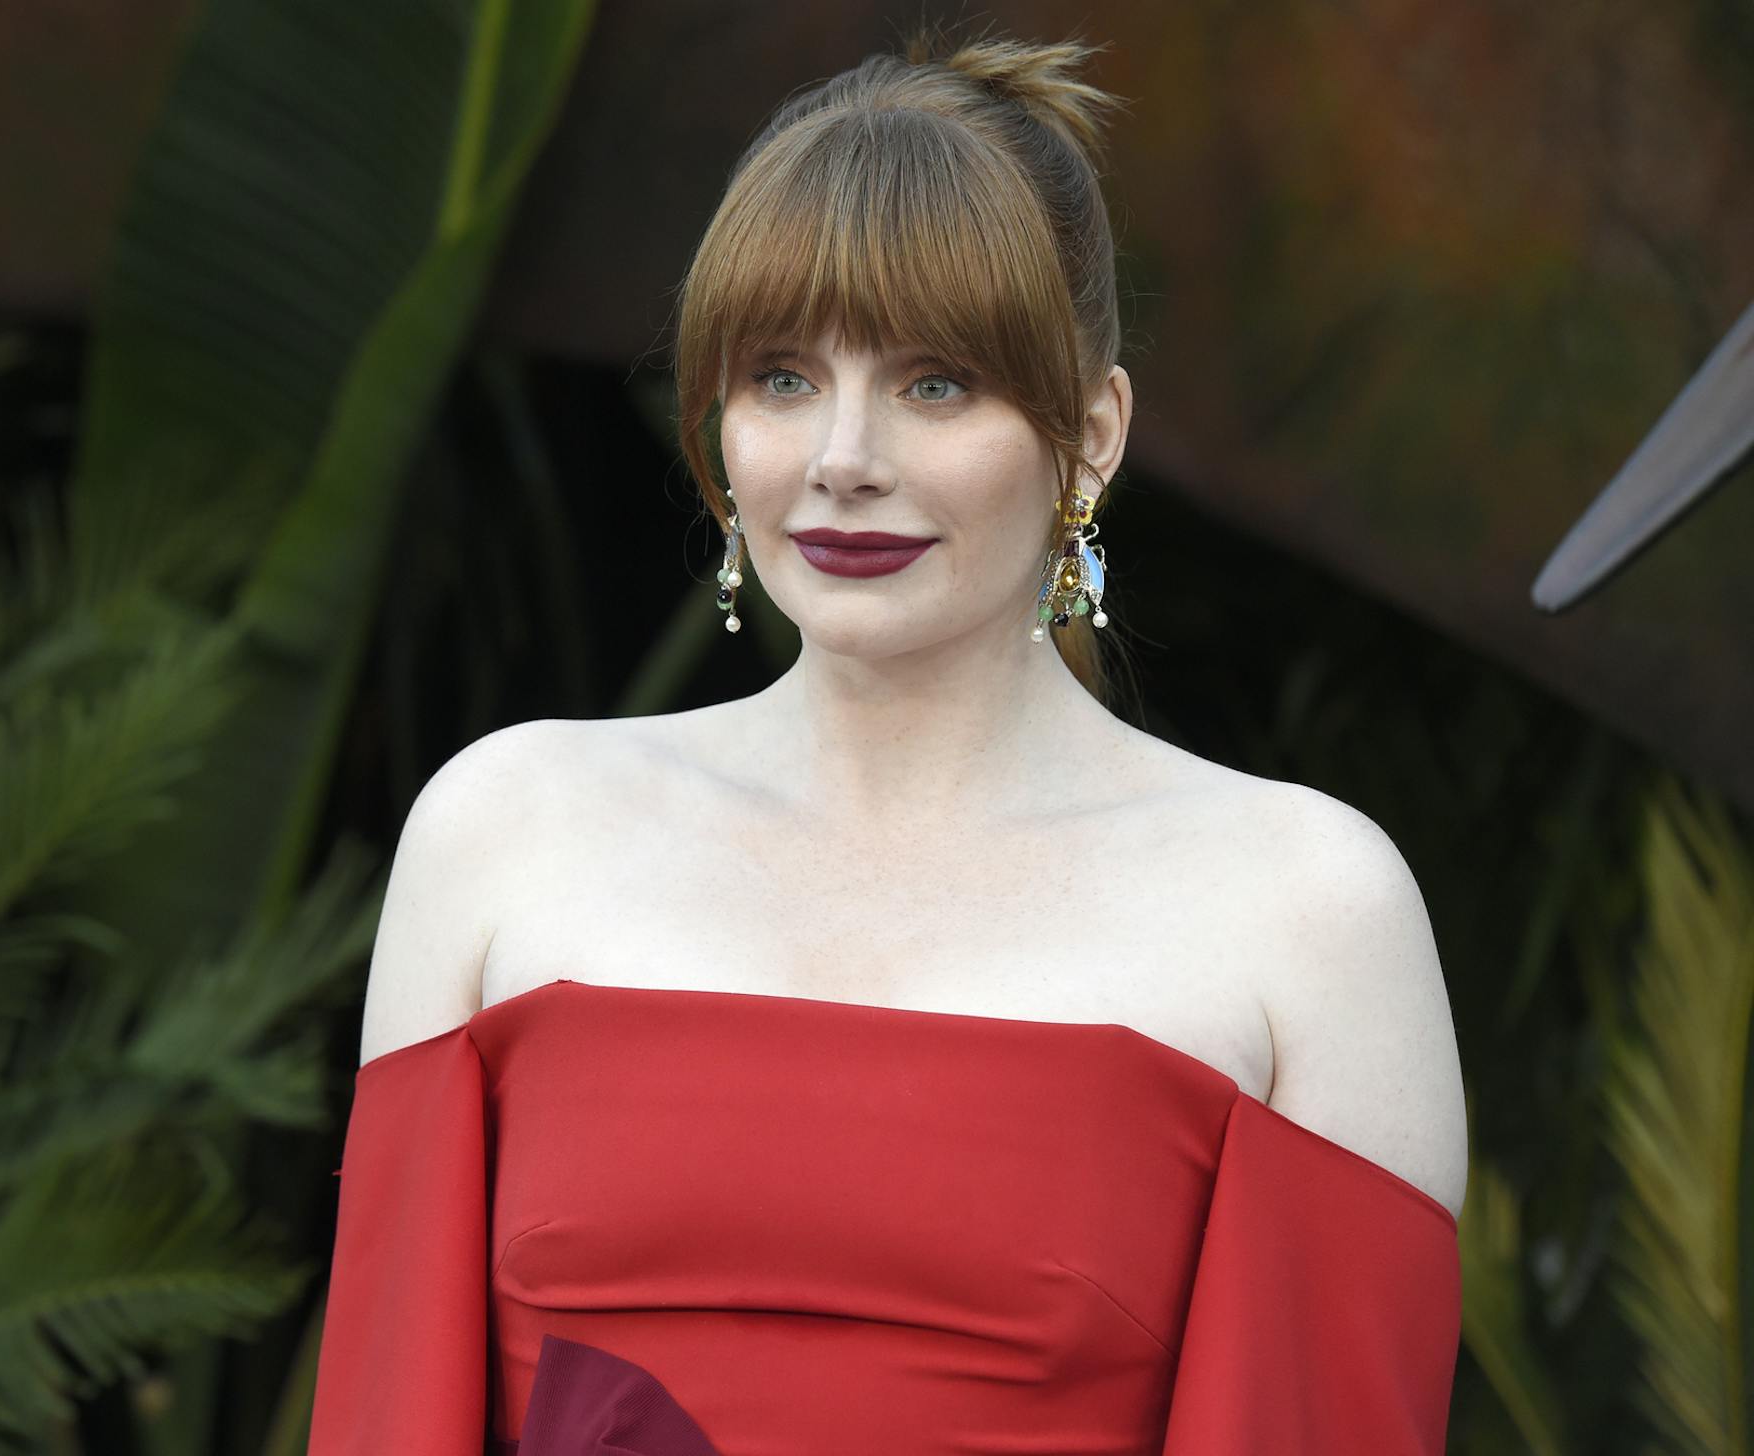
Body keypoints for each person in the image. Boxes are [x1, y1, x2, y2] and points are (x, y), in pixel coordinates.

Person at [305, 21, 1467, 1456]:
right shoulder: (505, 831)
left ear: (1093, 435)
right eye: (783, 376)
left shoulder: (1302, 907)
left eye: (936, 382)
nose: (843, 457)